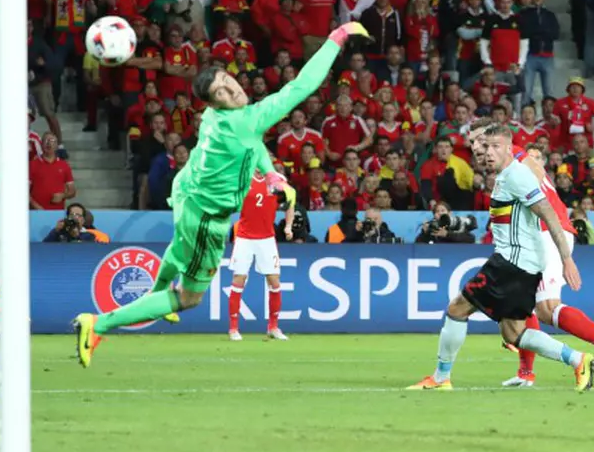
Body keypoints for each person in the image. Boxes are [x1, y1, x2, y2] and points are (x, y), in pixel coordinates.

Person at [72, 22, 371, 367]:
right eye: (222, 93)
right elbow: (302, 85)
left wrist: (269, 171)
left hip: (186, 189)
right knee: (190, 298)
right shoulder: (246, 119)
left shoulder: (214, 116)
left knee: (178, 249)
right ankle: (98, 323)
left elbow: (251, 142)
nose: (232, 91)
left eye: (228, 82)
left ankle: (156, 293)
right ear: (214, 102)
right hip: (204, 218)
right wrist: (336, 38)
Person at [407, 125, 594, 392]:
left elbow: (549, 213)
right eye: (484, 147)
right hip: (522, 264)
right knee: (514, 333)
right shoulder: (504, 177)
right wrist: (454, 222)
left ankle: (441, 378)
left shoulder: (517, 175)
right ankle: (578, 360)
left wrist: (566, 258)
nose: (486, 152)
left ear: (509, 148)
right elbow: (497, 220)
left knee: (457, 308)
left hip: (512, 262)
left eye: (494, 147)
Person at [498, 141, 594, 387]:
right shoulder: (515, 169)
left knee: (547, 308)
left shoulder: (519, 161)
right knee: (525, 305)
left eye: (537, 157)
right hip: (542, 234)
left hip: (547, 233)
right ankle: (526, 372)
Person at [227, 172, 295, 342]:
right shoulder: (243, 177)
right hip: (244, 238)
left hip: (267, 239)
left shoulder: (277, 181)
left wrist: (288, 226)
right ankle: (233, 328)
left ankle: (273, 327)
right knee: (239, 279)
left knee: (274, 281)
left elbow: (290, 202)